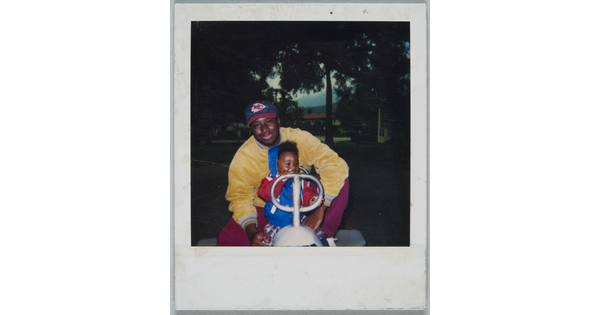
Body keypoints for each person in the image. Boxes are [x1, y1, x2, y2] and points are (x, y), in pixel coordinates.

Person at [217, 100, 349, 246]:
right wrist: (251, 232)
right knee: (227, 241)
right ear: (251, 129)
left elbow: (335, 164)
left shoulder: (300, 138)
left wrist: (320, 207)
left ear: (278, 121)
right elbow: (239, 197)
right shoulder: (244, 156)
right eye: (257, 125)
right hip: (266, 208)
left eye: (269, 121)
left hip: (304, 201)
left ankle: (323, 234)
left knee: (340, 179)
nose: (265, 129)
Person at [256, 141, 328, 246]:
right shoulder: (269, 180)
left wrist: (312, 200)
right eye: (288, 164)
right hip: (278, 225)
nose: (293, 168)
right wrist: (279, 180)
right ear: (276, 164)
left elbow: (306, 194)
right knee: (271, 245)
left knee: (316, 236)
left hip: (299, 221)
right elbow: (265, 193)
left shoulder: (299, 181)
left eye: (296, 164)